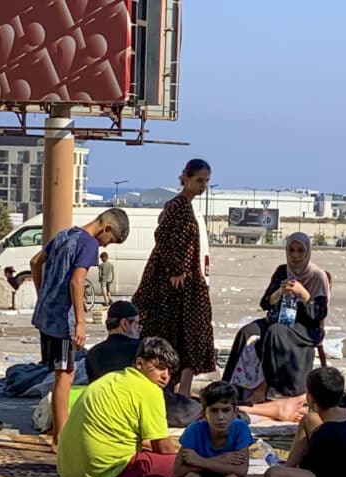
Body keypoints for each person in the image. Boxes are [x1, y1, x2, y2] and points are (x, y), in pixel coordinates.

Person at [31, 208, 130, 446]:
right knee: (65, 376)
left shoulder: (65, 234)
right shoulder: (89, 244)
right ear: (106, 229)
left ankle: (59, 433)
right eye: (111, 240)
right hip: (63, 322)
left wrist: (42, 292)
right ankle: (61, 439)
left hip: (45, 315)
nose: (106, 246)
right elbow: (77, 282)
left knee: (59, 374)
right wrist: (81, 323)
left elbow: (35, 262)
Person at [133, 158, 216, 396]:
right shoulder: (177, 205)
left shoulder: (185, 205)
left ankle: (181, 391)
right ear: (186, 179)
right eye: (199, 180)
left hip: (187, 281)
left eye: (207, 181)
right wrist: (175, 269)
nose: (203, 185)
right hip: (175, 283)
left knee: (191, 335)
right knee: (178, 333)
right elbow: (164, 235)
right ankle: (175, 390)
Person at [56, 337, 180, 477]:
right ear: (139, 363)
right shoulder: (150, 390)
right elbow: (164, 449)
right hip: (102, 475)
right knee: (187, 467)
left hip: (68, 471)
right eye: (160, 367)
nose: (165, 376)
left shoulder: (111, 378)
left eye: (169, 371)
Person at [222, 232, 330, 406]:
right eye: (292, 250)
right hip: (279, 317)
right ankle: (229, 386)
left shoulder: (317, 276)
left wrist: (302, 293)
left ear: (307, 252)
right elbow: (265, 303)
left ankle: (270, 387)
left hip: (305, 326)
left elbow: (318, 313)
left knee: (275, 333)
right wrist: (280, 292)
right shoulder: (282, 271)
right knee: (246, 332)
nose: (295, 255)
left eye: (300, 251)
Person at [85, 301, 202, 427]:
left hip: (103, 409)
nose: (139, 329)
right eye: (137, 324)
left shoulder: (93, 353)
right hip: (142, 405)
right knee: (198, 407)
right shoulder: (143, 349)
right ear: (125, 324)